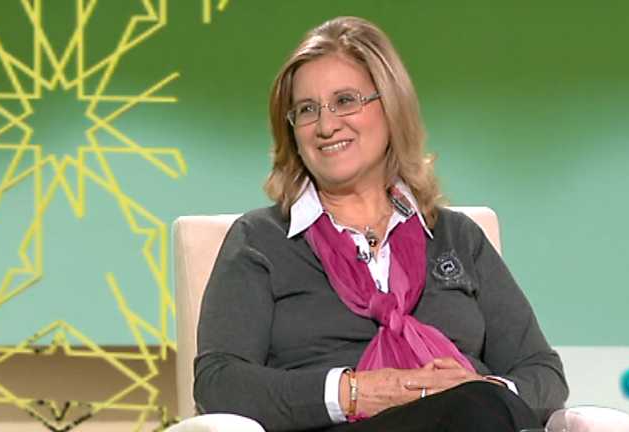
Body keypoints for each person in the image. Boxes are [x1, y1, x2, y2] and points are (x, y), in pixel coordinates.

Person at [194, 16, 568, 432]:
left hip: (472, 417)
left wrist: (483, 387)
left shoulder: (457, 237)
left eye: (345, 101)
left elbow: (542, 373)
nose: (326, 126)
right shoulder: (260, 241)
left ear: (391, 108)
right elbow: (219, 383)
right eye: (306, 110)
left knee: (477, 407)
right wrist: (355, 392)